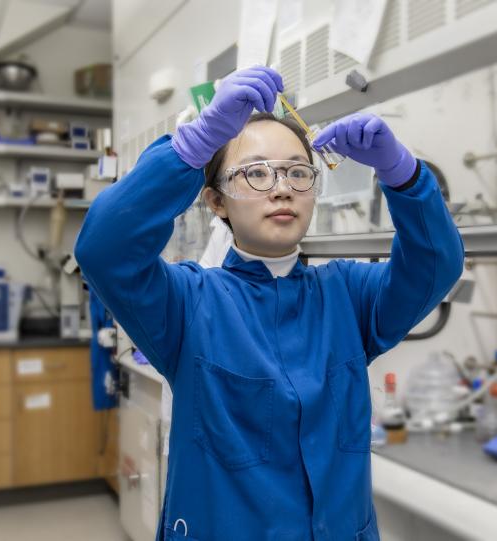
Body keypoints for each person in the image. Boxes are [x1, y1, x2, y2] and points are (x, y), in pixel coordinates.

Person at [75, 66, 464, 541]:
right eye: (256, 173)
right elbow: (104, 248)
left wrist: (403, 176)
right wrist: (193, 144)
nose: (282, 187)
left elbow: (435, 268)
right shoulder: (188, 304)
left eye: (298, 172)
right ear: (217, 202)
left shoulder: (348, 295)